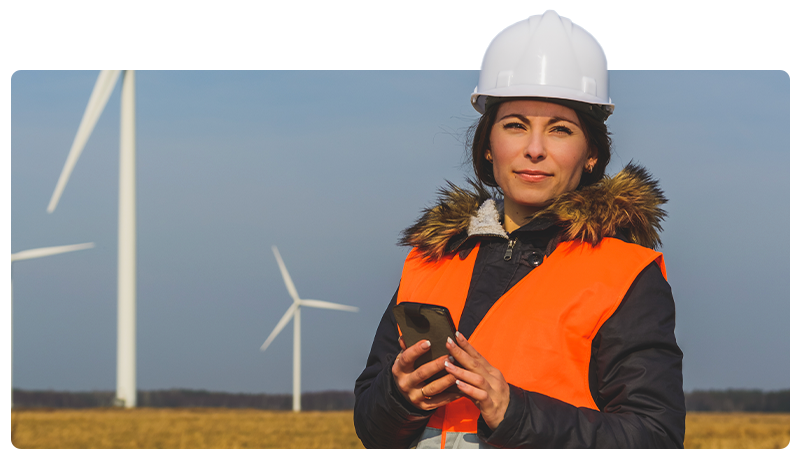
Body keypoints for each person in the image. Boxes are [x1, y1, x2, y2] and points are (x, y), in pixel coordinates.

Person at [353, 9, 685, 450]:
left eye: (560, 130)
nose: (533, 150)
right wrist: (400, 399)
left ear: (590, 155)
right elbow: (372, 429)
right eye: (515, 125)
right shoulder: (429, 260)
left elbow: (654, 437)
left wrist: (515, 413)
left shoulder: (625, 275)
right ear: (489, 145)